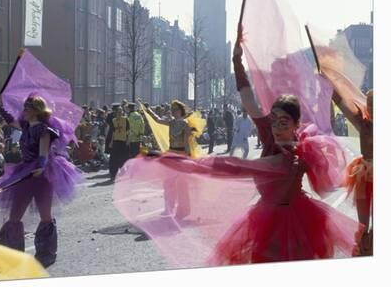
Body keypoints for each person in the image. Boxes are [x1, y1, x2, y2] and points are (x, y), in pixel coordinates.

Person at [113, 24, 362, 268]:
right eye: (273, 120)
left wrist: (328, 84)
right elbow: (248, 99)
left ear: (296, 124)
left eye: (283, 122)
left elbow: (232, 166)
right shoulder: (269, 135)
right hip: (265, 216)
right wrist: (237, 63)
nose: (275, 126)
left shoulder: (299, 152)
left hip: (295, 219)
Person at [0, 94, 82, 267]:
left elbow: (43, 154)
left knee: (45, 216)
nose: (23, 111)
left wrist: (41, 167)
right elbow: (10, 121)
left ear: (35, 111)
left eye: (27, 109)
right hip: (25, 173)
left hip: (41, 175)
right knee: (15, 215)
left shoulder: (44, 130)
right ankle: (10, 253)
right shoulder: (26, 125)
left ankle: (46, 253)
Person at [334, 89, 373, 255]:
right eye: (370, 104)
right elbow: (342, 105)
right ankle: (364, 252)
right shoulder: (363, 123)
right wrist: (332, 90)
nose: (373, 108)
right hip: (363, 174)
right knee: (362, 225)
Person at [108, 105, 130, 181]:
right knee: (114, 158)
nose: (120, 113)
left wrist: (128, 140)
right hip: (116, 141)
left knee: (123, 158)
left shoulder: (125, 119)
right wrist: (111, 142)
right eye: (118, 112)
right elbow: (113, 132)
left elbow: (128, 131)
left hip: (123, 141)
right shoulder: (113, 120)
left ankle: (124, 173)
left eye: (121, 111)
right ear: (116, 112)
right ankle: (113, 174)